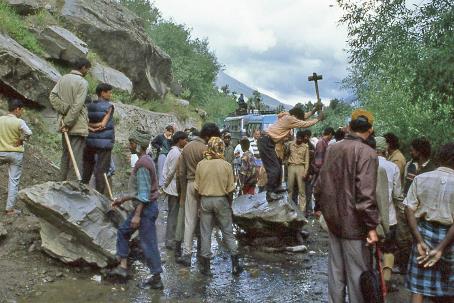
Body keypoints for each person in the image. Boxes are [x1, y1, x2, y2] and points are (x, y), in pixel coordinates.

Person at [315, 109, 379, 303]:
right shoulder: (368, 153)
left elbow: (319, 185)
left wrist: (322, 210)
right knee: (357, 275)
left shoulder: (333, 148)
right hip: (355, 226)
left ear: (350, 128)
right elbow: (366, 195)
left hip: (334, 221)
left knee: (335, 273)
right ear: (370, 130)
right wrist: (372, 227)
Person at [110, 129, 163, 289]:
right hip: (146, 207)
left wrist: (137, 216)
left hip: (146, 209)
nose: (129, 145)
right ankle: (123, 267)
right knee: (123, 232)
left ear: (138, 144)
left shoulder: (142, 164)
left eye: (132, 142)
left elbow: (144, 194)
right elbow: (141, 190)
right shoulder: (146, 159)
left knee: (148, 242)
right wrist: (123, 199)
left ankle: (156, 278)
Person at [404, 143, 454, 303]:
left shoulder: (421, 178)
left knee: (418, 287)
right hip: (450, 239)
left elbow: (409, 209)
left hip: (423, 233)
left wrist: (418, 240)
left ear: (439, 157)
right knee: (450, 288)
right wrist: (441, 248)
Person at [195, 137, 243, 276]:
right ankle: (235, 265)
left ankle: (206, 268)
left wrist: (199, 205)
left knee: (205, 233)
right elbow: (230, 190)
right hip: (222, 200)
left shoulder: (201, 164)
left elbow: (197, 189)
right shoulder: (226, 165)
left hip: (205, 200)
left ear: (209, 147)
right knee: (227, 232)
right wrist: (230, 205)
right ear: (221, 147)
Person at [258, 103, 324, 202]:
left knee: (278, 165)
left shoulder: (287, 116)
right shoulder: (290, 119)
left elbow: (303, 118)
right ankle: (270, 193)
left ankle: (276, 188)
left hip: (267, 141)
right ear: (296, 117)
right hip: (266, 142)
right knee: (274, 168)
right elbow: (304, 123)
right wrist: (318, 119)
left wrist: (314, 110)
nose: (298, 120)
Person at [177, 123, 221, 267]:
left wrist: (183, 192)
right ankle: (203, 254)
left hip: (190, 184)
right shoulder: (207, 149)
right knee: (205, 221)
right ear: (208, 136)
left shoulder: (187, 147)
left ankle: (187, 254)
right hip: (205, 186)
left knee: (189, 221)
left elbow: (181, 173)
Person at [396, 137, 436, 270]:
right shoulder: (409, 165)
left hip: (420, 213)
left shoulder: (432, 170)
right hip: (405, 208)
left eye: (412, 151)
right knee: (402, 239)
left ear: (419, 152)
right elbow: (404, 185)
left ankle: (417, 265)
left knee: (418, 239)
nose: (410, 153)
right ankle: (404, 267)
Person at [49, 58, 91, 181]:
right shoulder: (83, 83)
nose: (87, 71)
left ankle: (60, 182)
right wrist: (68, 121)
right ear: (83, 67)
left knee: (66, 156)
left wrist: (64, 109)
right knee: (76, 158)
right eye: (88, 68)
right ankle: (72, 188)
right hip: (76, 125)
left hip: (64, 125)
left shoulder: (63, 78)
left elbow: (52, 96)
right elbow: (77, 106)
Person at [375, 136, 402, 292]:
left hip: (369, 217)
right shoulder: (393, 167)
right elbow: (397, 194)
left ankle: (372, 279)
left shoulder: (364, 164)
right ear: (385, 149)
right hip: (389, 218)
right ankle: (385, 281)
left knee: (371, 250)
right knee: (389, 249)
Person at [0, 99, 32, 215]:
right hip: (15, 154)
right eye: (21, 110)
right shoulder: (19, 122)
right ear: (17, 109)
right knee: (13, 181)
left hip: (1, 152)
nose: (22, 112)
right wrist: (21, 140)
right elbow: (28, 133)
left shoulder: (1, 120)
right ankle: (10, 209)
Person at [82, 83, 115, 194]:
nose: (110, 94)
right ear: (103, 93)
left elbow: (85, 122)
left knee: (87, 166)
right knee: (101, 170)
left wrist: (91, 128)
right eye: (109, 92)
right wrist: (98, 127)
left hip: (90, 141)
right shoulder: (109, 107)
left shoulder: (89, 106)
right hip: (104, 143)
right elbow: (103, 124)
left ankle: (82, 190)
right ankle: (99, 195)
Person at [162, 131, 188, 250]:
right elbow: (172, 171)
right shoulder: (177, 153)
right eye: (185, 139)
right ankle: (170, 241)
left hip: (171, 188)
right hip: (173, 189)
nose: (186, 142)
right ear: (179, 140)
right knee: (173, 215)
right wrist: (164, 186)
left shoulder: (173, 151)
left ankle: (170, 239)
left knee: (173, 214)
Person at [287, 130, 310, 212]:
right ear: (296, 137)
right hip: (291, 166)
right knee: (289, 189)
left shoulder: (305, 147)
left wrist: (305, 172)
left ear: (303, 139)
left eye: (301, 139)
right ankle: (288, 209)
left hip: (301, 167)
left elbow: (307, 161)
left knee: (301, 190)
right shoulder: (290, 144)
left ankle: (302, 211)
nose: (299, 140)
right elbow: (286, 155)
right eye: (298, 138)